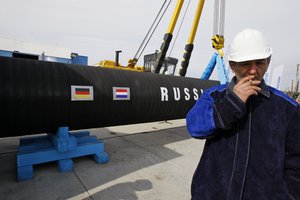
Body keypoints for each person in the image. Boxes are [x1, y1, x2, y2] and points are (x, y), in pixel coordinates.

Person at [186, 28, 300, 200]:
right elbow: (195, 127)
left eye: (260, 63)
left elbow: (296, 161)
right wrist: (232, 103)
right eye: (246, 63)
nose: (253, 70)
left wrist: (289, 194)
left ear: (268, 62)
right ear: (233, 65)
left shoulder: (287, 108)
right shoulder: (213, 96)